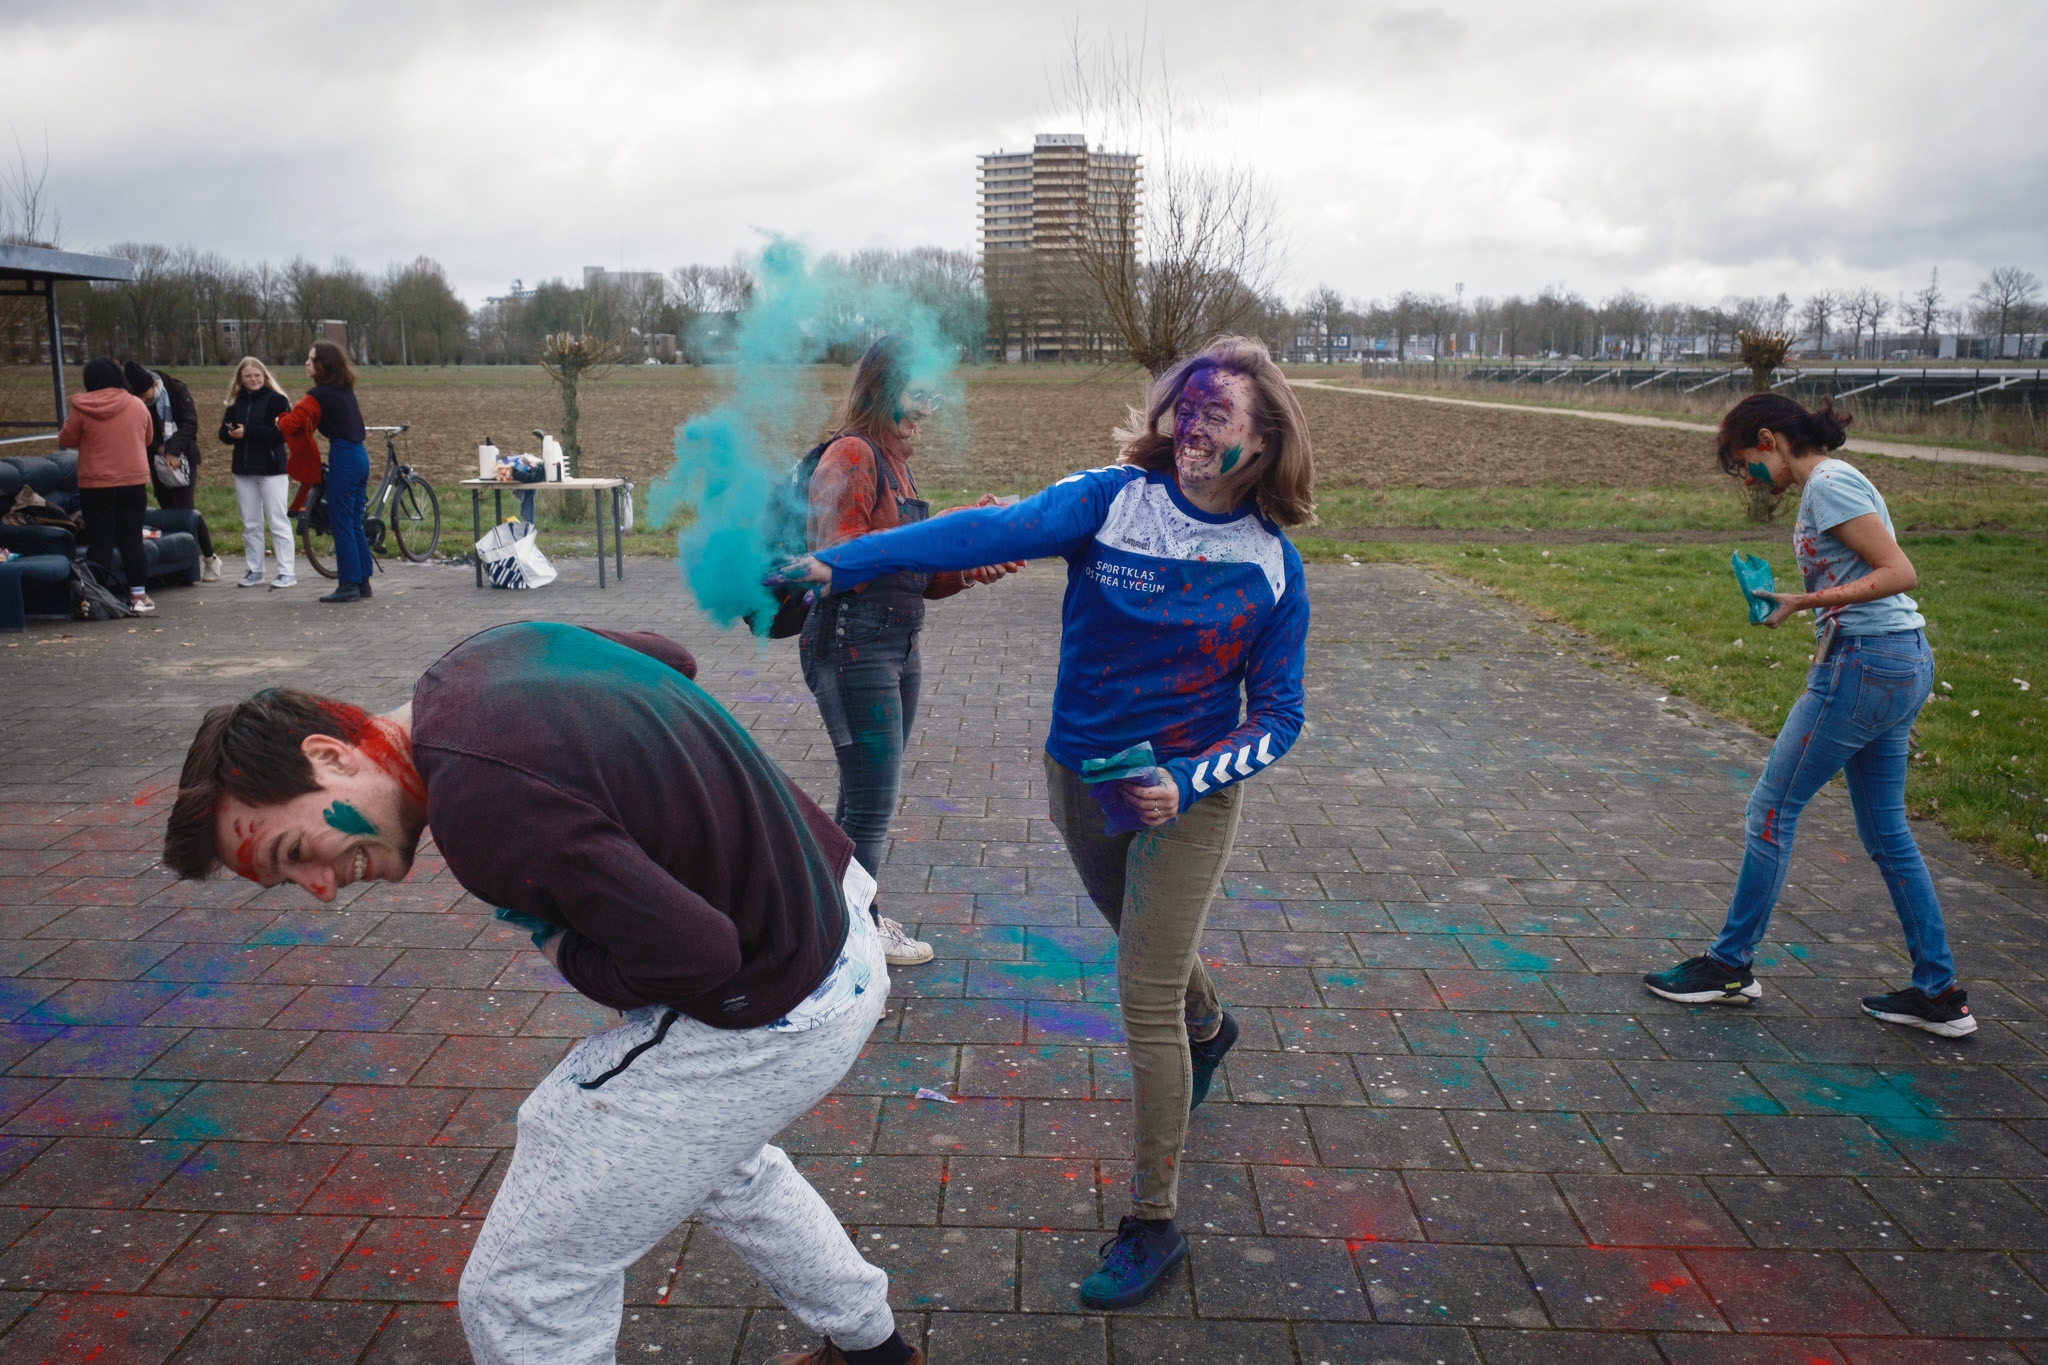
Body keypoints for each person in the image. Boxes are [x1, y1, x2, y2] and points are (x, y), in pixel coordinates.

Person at [161, 622, 925, 1365]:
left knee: (523, 1288)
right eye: (290, 881)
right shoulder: (481, 658)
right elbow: (669, 656)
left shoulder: (482, 808)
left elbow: (697, 954)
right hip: (839, 911)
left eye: (295, 851)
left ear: (328, 754)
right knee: (719, 1160)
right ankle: (878, 1351)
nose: (320, 887)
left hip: (781, 997)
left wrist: (568, 947)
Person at [782, 335, 1314, 1309]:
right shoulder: (1109, 501)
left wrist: (1191, 777)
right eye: (1184, 409)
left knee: (1139, 989)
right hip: (1078, 779)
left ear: (1266, 438)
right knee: (1146, 942)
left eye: (1218, 416)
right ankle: (1211, 1022)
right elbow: (978, 536)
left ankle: (1153, 1221)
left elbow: (1279, 716)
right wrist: (835, 562)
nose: (1193, 428)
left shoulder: (1270, 569)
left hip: (1182, 799)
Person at [1644, 394, 1975, 1037]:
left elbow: (1899, 571)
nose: (1747, 480)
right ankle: (1939, 994)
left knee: (1770, 812)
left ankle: (1728, 967)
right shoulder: (1828, 486)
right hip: (1892, 662)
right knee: (1886, 834)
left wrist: (1807, 600)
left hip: (1865, 667)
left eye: (1745, 464)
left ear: (1768, 439)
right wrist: (1801, 605)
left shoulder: (1826, 483)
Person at [800, 337, 1022, 968]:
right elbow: (838, 561)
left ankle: (843, 921)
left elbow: (919, 577)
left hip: (896, 642)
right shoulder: (851, 454)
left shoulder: (895, 464)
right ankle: (850, 946)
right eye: (920, 393)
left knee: (862, 796)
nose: (929, 409)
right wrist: (943, 532)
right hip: (851, 646)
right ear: (884, 391)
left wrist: (966, 561)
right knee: (871, 802)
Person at [276, 339, 373, 603]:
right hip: (361, 456)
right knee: (354, 523)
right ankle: (363, 580)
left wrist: (278, 420)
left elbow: (294, 421)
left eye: (310, 359)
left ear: (323, 364)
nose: (306, 363)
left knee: (340, 522)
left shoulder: (318, 394)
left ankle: (348, 584)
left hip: (344, 456)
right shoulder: (344, 390)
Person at [60, 358, 158, 613]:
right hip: (133, 481)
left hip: (95, 483)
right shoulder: (136, 404)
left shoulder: (81, 408)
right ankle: (139, 596)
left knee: (101, 540)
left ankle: (97, 596)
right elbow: (148, 438)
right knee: (131, 539)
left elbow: (67, 438)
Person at [123, 361, 222, 582]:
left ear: (152, 384)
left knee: (186, 510)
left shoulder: (177, 390)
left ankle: (209, 557)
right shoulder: (135, 403)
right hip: (157, 460)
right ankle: (180, 566)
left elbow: (189, 424)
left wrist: (172, 451)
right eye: (137, 396)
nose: (143, 400)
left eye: (144, 394)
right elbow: (139, 430)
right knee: (168, 511)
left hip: (184, 457)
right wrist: (158, 448)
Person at [219, 356, 297, 589]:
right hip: (243, 470)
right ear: (240, 380)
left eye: (257, 376)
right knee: (250, 523)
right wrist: (231, 433)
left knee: (277, 521)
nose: (253, 380)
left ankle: (287, 572)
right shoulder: (235, 404)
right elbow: (222, 435)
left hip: (271, 470)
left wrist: (249, 432)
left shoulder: (277, 401)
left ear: (264, 377)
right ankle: (255, 569)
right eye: (248, 376)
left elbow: (282, 434)